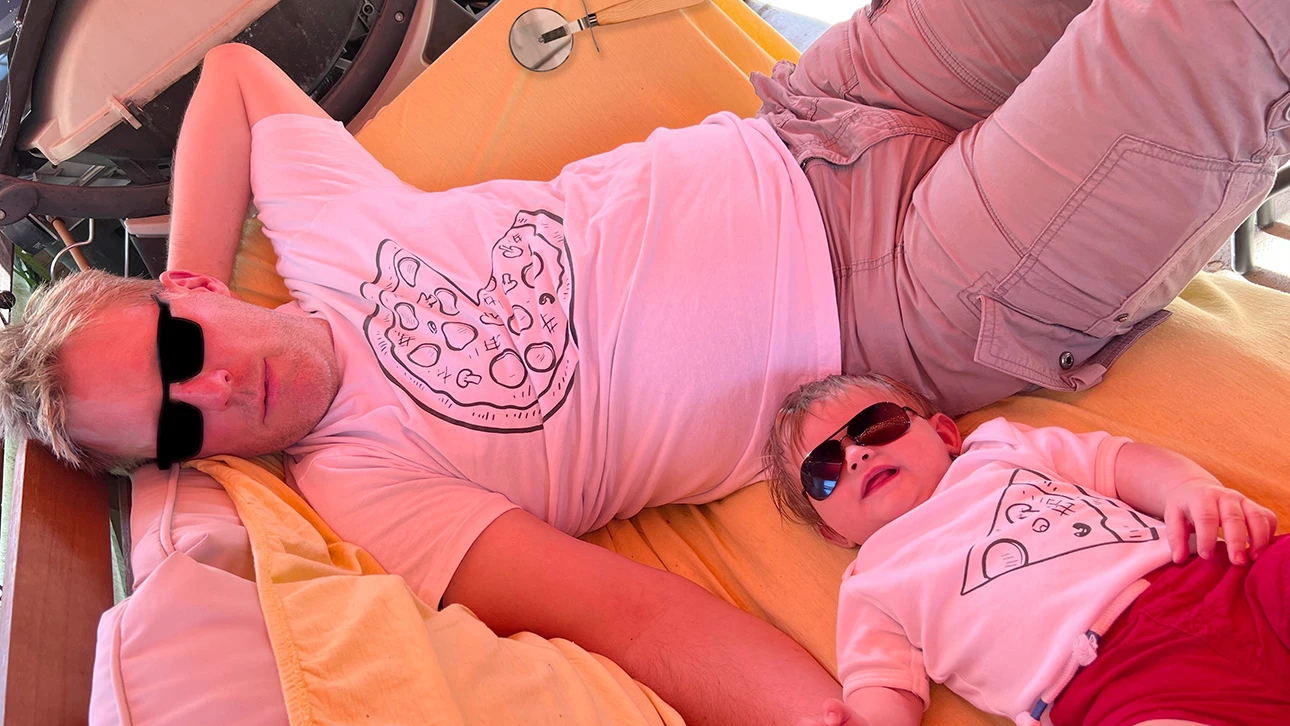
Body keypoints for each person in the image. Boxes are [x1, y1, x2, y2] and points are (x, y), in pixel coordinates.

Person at [2, 0, 1288, 722]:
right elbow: (640, 618)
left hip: (819, 111)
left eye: (179, 348)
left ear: (187, 294)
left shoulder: (320, 229)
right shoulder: (370, 491)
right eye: (178, 425)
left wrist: (204, 268)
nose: (217, 388)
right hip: (902, 299)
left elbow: (233, 76)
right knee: (1206, 23)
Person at [765, 373, 1286, 726]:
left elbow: (1122, 463)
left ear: (945, 433)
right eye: (823, 470)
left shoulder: (1000, 448)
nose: (857, 454)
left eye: (876, 424)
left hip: (1213, 579)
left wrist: (1188, 489)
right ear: (833, 534)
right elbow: (885, 688)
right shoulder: (871, 582)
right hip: (1112, 685)